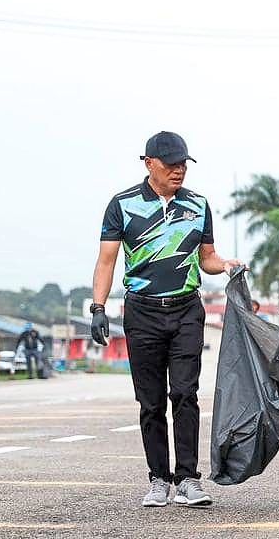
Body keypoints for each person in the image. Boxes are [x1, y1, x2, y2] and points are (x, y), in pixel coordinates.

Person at [91, 131, 241, 508]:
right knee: (151, 401)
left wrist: (223, 265)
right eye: (171, 164)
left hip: (186, 310)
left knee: (185, 394)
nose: (179, 171)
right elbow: (107, 261)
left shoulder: (198, 205)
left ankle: (189, 479)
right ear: (149, 164)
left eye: (183, 164)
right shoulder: (122, 205)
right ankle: (159, 479)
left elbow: (206, 257)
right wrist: (98, 308)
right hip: (141, 312)